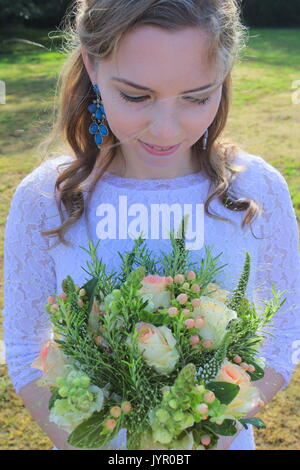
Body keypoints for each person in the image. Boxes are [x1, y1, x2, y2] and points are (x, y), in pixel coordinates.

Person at [2, 0, 300, 451]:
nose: (166, 129)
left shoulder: (257, 191)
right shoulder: (48, 199)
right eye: (136, 96)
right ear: (91, 64)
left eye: (198, 97)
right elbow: (26, 350)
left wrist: (204, 436)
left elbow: (282, 337)